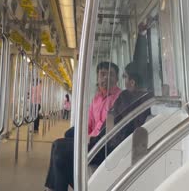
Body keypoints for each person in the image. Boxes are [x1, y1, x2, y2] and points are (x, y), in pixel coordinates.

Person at [44, 62, 152, 191]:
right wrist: (87, 136)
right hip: (102, 139)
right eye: (102, 75)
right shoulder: (98, 98)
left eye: (111, 75)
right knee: (61, 144)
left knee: (60, 150)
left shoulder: (122, 97)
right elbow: (91, 122)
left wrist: (91, 139)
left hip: (106, 144)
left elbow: (110, 127)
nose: (106, 78)